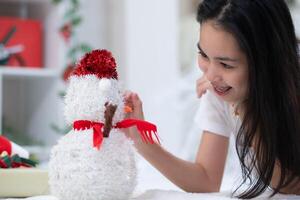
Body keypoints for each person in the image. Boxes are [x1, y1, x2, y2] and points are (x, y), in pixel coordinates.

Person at [123, 0, 300, 198]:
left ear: (267, 62)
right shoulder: (223, 90)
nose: (211, 75)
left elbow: (291, 186)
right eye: (204, 55)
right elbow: (206, 180)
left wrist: (246, 110)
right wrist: (142, 142)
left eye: (226, 65)